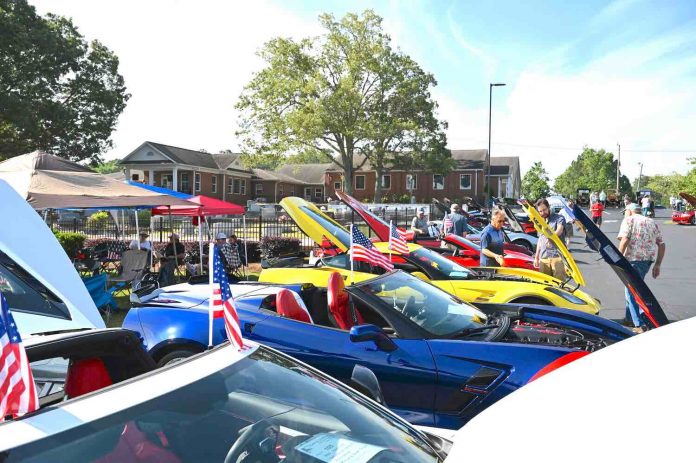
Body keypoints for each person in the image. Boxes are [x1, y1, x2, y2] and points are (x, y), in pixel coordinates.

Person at [618, 203, 666, 333]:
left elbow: (625, 239)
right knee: (634, 288)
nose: (625, 214)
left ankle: (639, 324)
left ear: (630, 211)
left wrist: (617, 257)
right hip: (647, 261)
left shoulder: (629, 220)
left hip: (632, 260)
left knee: (632, 292)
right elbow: (661, 244)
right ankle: (630, 318)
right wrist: (658, 264)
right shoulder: (651, 221)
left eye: (626, 211)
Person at [534, 198, 566, 280]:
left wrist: (550, 238)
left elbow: (559, 231)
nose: (542, 213)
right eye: (540, 211)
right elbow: (540, 240)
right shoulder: (540, 222)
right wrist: (536, 257)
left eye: (544, 210)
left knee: (559, 285)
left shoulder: (559, 218)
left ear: (548, 207)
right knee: (544, 285)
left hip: (557, 257)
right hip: (544, 258)